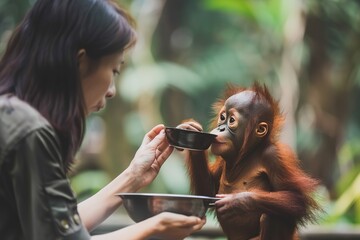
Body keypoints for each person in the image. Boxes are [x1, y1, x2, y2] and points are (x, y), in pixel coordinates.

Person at [0, 0, 206, 239]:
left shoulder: (12, 116)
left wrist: (133, 176)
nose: (112, 90)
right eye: (114, 70)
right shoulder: (28, 130)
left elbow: (59, 230)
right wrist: (153, 229)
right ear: (81, 62)